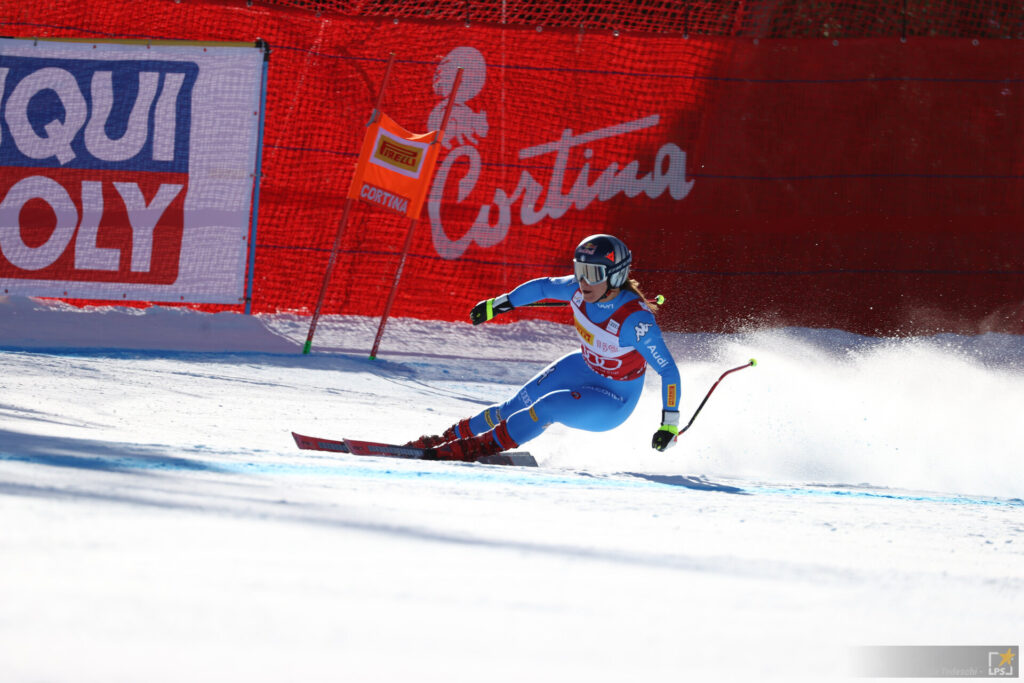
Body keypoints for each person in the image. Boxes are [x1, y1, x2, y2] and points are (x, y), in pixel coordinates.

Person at [408, 234, 682, 462]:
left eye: (593, 273)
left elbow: (668, 371)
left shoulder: (635, 321)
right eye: (579, 270)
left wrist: (669, 424)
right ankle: (449, 438)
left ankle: (478, 447)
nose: (583, 281)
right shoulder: (577, 289)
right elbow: (542, 288)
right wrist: (497, 304)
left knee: (548, 407)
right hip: (584, 367)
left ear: (615, 275)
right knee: (513, 405)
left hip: (614, 401)